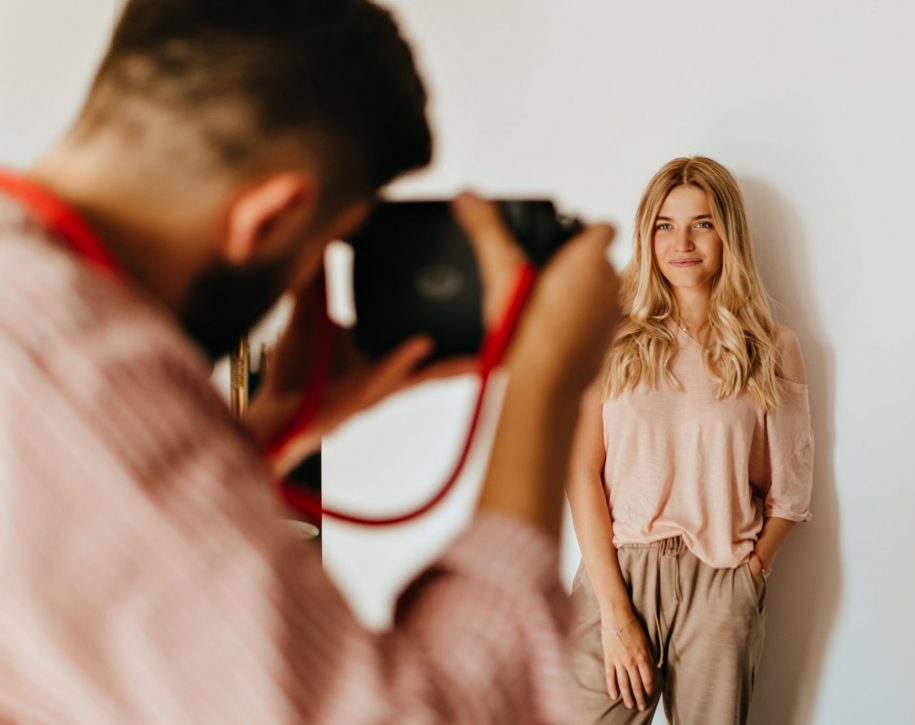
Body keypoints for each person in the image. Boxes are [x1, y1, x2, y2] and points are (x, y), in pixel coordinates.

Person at [0, 1, 619, 722]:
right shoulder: (78, 375)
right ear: (268, 217)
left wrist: (263, 436)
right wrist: (546, 382)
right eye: (326, 243)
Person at [565, 156, 814, 723]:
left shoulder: (771, 347)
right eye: (665, 225)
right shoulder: (610, 338)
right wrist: (615, 614)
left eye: (702, 223)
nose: (682, 243)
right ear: (647, 235)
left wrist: (748, 578)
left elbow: (791, 491)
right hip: (621, 570)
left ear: (728, 235)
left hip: (721, 582)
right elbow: (580, 473)